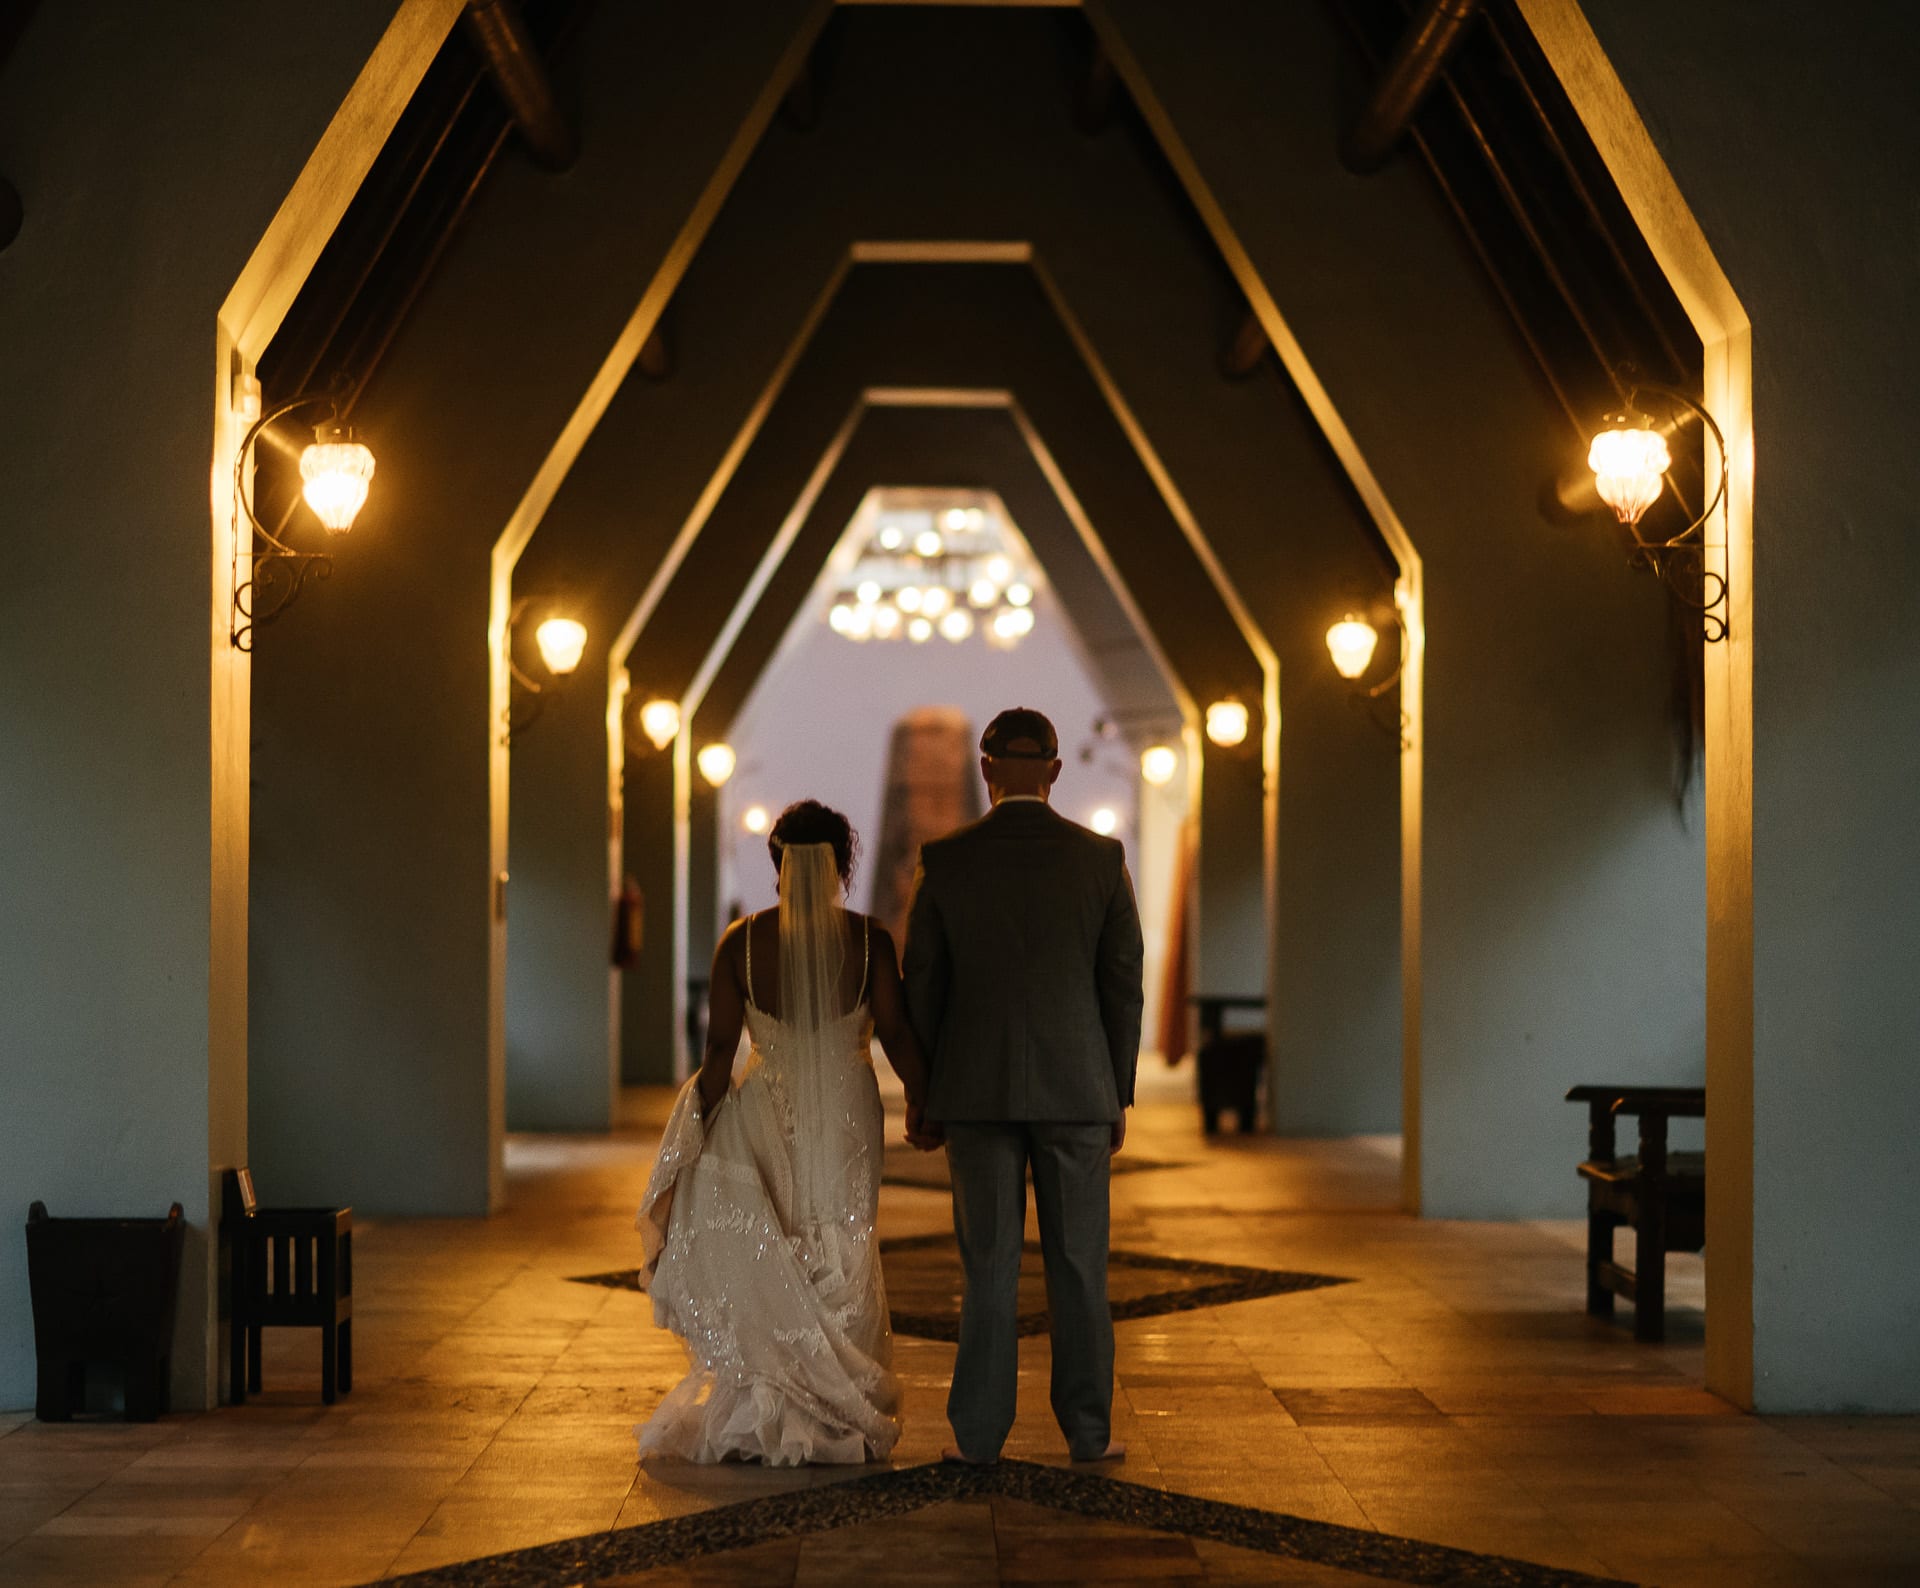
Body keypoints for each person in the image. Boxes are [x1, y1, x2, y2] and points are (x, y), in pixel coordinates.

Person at [633, 800, 932, 1466]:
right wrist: (924, 1099)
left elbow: (717, 1051)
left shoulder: (740, 943)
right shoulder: (868, 941)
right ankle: (840, 1409)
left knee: (778, 1252)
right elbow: (898, 1033)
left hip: (765, 1109)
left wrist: (700, 1129)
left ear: (776, 863)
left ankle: (772, 1407)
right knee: (843, 1245)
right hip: (850, 1115)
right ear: (842, 864)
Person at [902, 707, 1145, 1466]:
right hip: (1078, 1090)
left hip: (974, 1092)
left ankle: (978, 1435)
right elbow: (1123, 985)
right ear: (1054, 770)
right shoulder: (1099, 859)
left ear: (984, 769)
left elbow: (924, 986)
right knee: (1079, 1266)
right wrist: (1118, 1090)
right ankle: (1087, 1432)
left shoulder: (947, 860)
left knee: (989, 1268)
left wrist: (925, 1090)